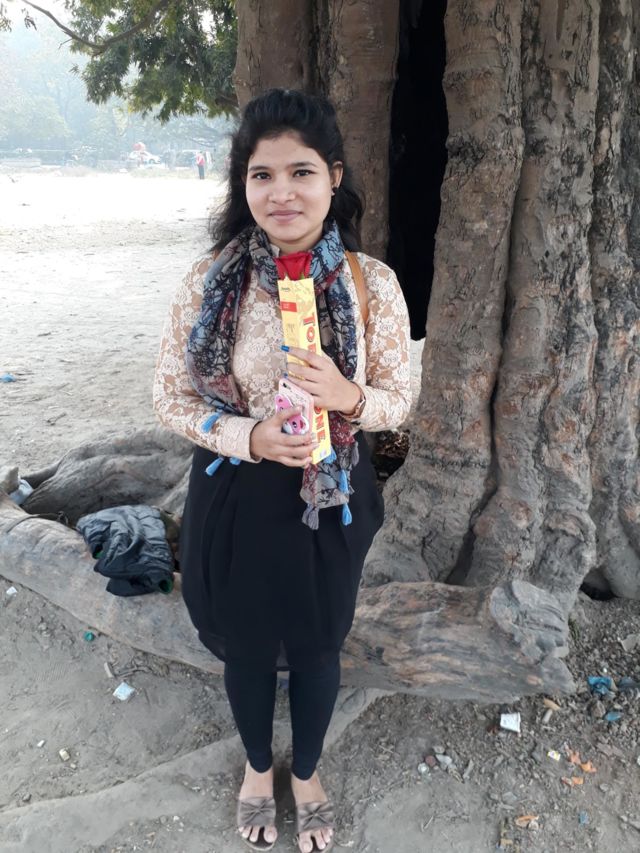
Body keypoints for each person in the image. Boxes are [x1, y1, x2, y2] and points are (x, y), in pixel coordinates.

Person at [153, 88, 411, 853]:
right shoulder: (212, 280)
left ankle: (308, 771)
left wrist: (348, 394)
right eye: (261, 175)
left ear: (334, 177)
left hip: (331, 496)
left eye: (301, 172)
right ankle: (259, 768)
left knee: (320, 642)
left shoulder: (371, 283)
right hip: (237, 491)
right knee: (247, 640)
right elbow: (169, 396)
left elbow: (400, 397)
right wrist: (250, 435)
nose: (281, 193)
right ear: (244, 186)